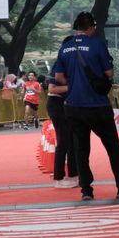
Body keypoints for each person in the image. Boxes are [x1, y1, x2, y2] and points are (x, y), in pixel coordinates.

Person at [54, 11, 119, 201]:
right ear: (91, 27)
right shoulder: (97, 44)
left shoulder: (65, 48)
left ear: (77, 27)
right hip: (97, 105)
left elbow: (58, 77)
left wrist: (74, 85)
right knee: (113, 147)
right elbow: (109, 73)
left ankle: (86, 190)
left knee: (81, 149)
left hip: (74, 106)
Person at [47, 47, 78, 189]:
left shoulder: (73, 63)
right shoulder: (60, 63)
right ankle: (58, 177)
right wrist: (73, 87)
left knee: (72, 140)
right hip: (57, 103)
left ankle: (74, 174)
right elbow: (52, 88)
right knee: (63, 140)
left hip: (68, 103)